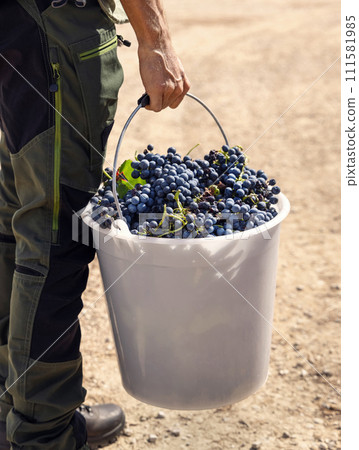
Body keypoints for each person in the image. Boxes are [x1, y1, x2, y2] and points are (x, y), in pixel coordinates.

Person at [0, 0, 190, 448]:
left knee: (15, 218)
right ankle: (43, 431)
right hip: (54, 28)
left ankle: (15, 407)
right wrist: (155, 39)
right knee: (55, 233)